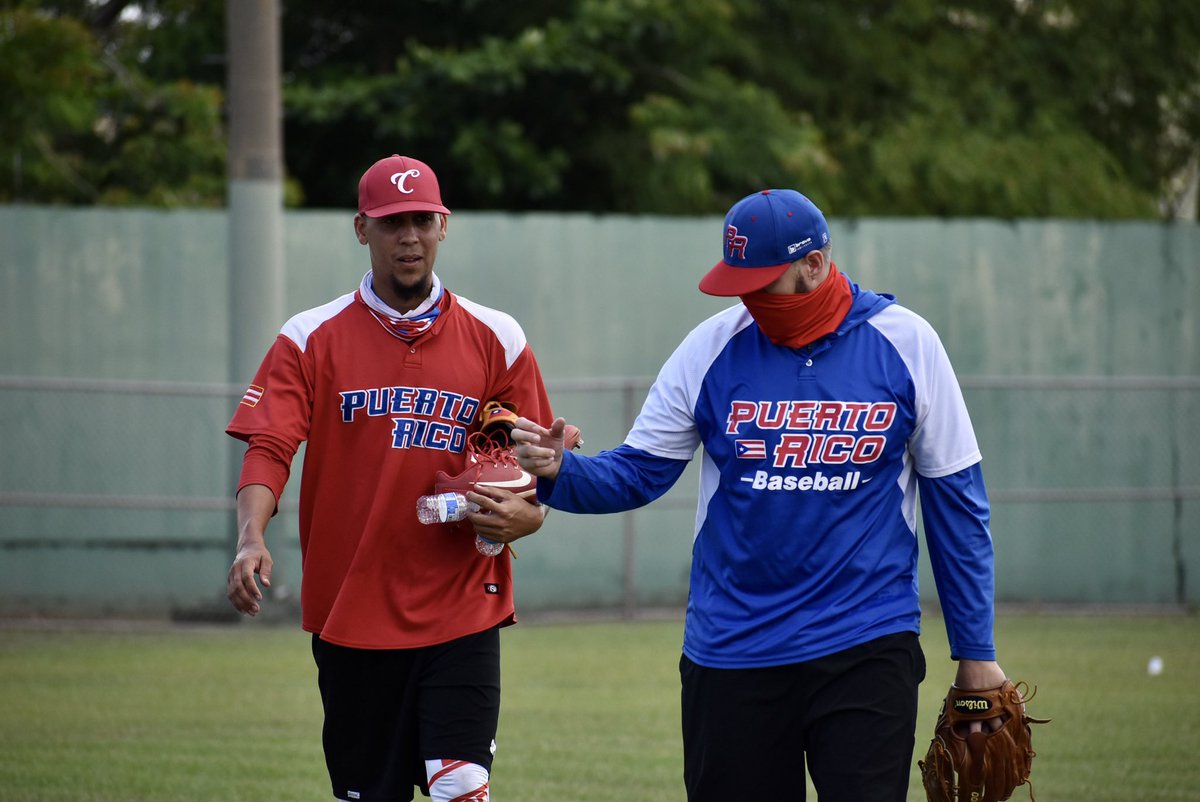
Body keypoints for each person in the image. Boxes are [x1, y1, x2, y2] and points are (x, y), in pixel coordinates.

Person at [508, 189, 1008, 801]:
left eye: (762, 283)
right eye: (738, 284)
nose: (749, 299)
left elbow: (956, 504)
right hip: (733, 649)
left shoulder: (908, 344)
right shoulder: (711, 348)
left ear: (815, 265)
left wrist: (976, 651)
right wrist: (560, 471)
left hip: (865, 641)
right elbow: (639, 472)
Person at [225, 154, 554, 802]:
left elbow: (527, 467)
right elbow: (269, 444)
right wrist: (250, 536)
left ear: (443, 226)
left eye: (422, 220)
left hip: (462, 605)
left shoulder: (498, 338)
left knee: (461, 789)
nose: (409, 236)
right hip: (352, 610)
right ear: (360, 229)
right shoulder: (309, 338)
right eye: (392, 222)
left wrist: (527, 513)